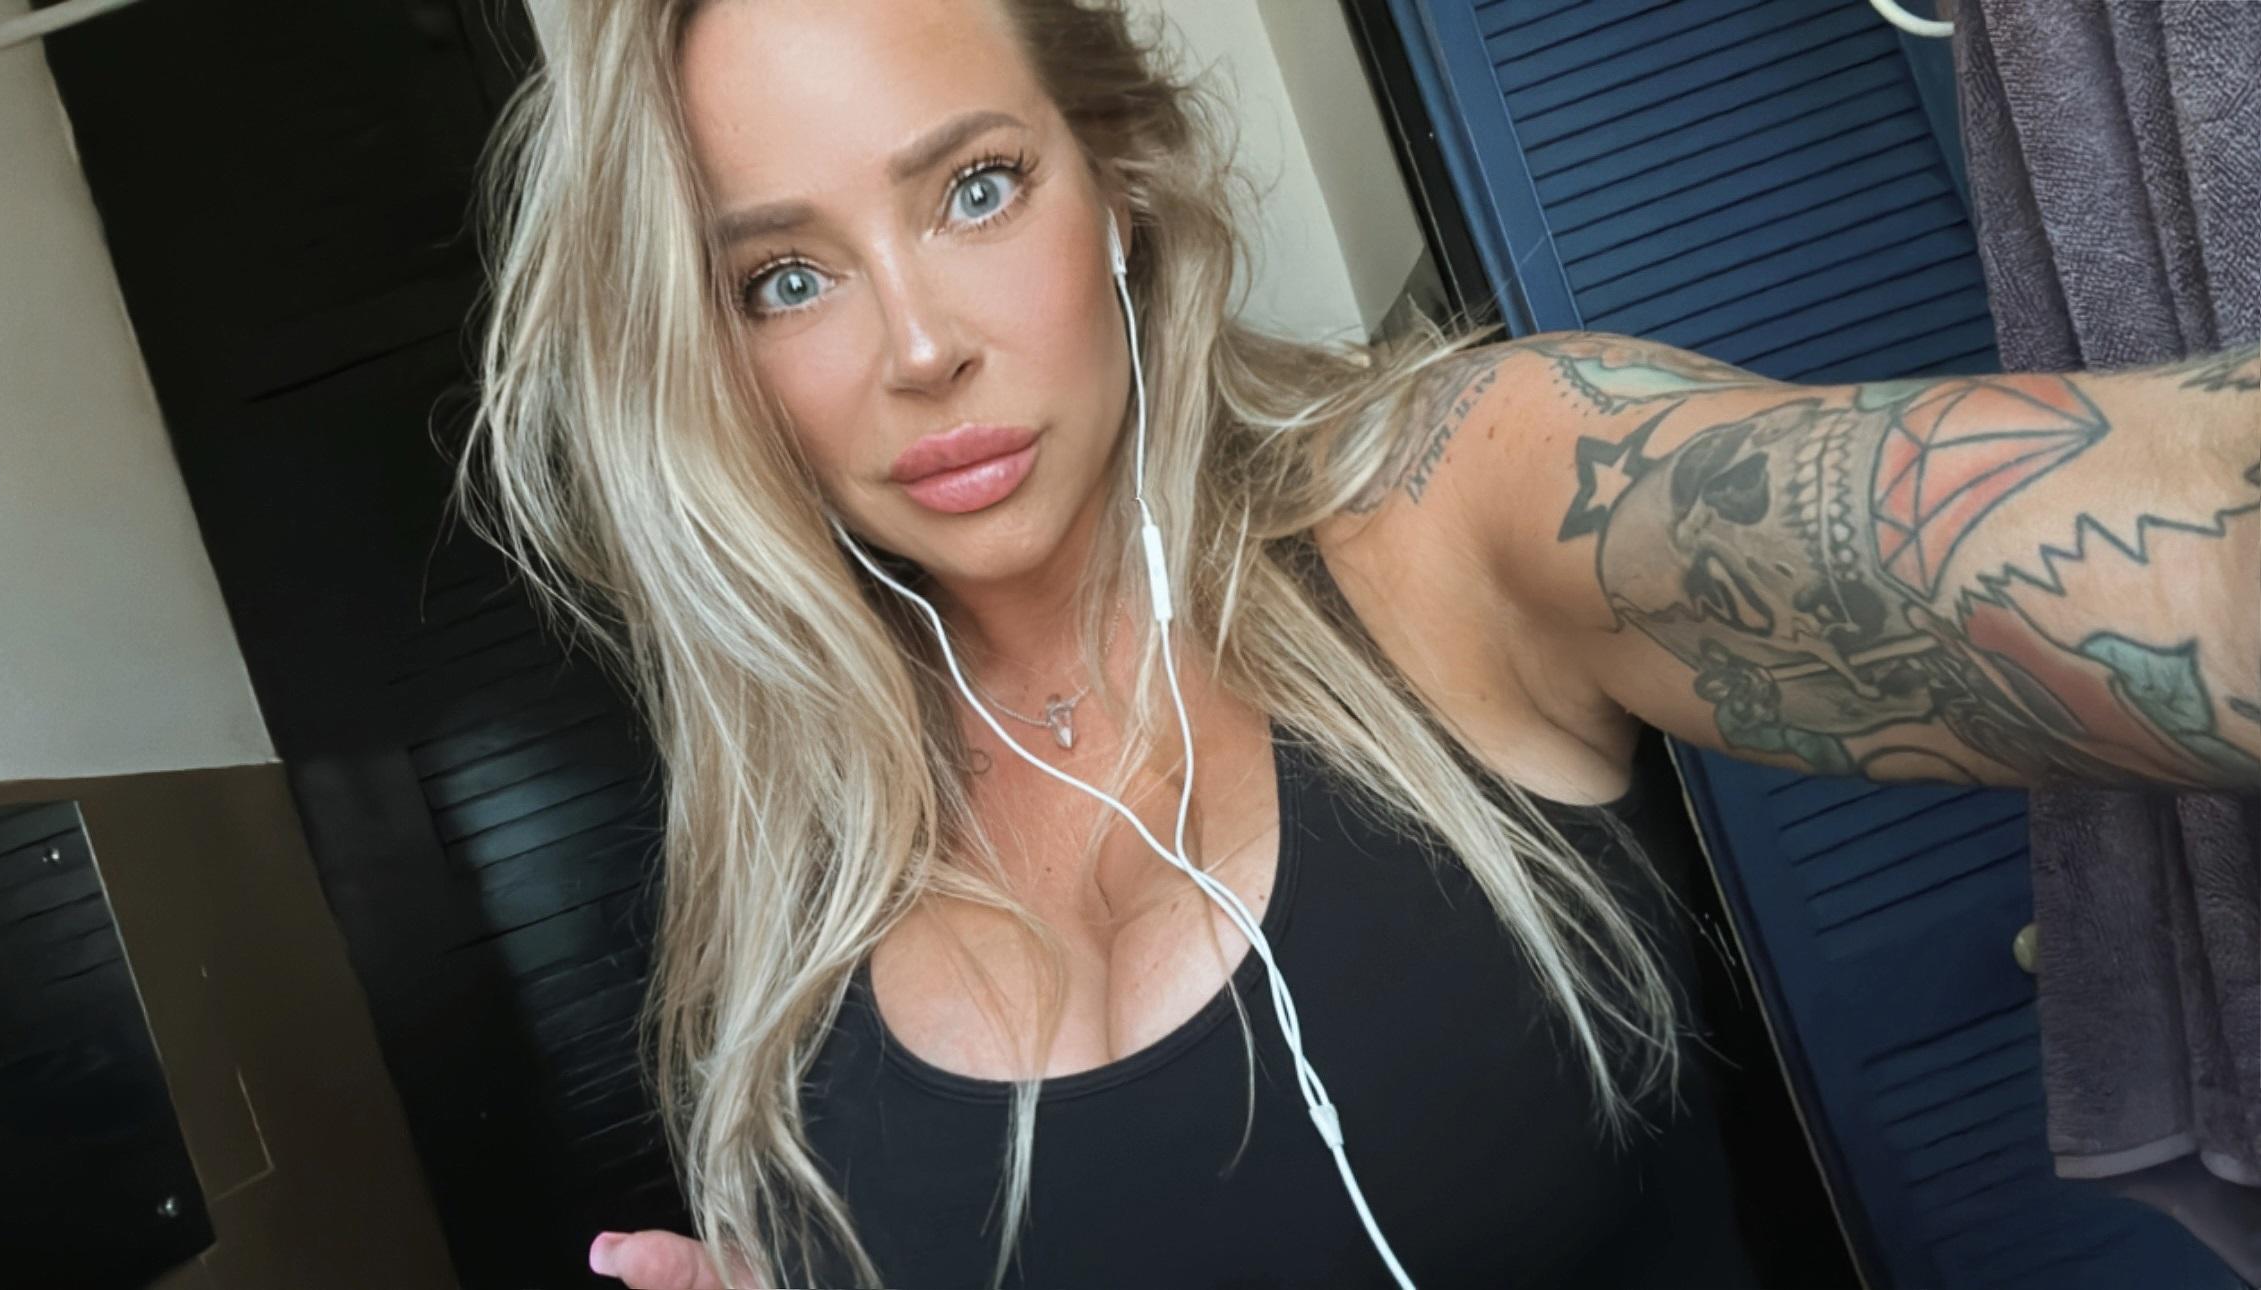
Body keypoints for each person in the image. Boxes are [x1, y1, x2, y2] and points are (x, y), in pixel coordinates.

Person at [460, 1, 2261, 1286]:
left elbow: (2184, 551)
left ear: (1117, 180)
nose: (918, 344)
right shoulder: (774, 876)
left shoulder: (1447, 511)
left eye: (977, 188)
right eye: (784, 278)